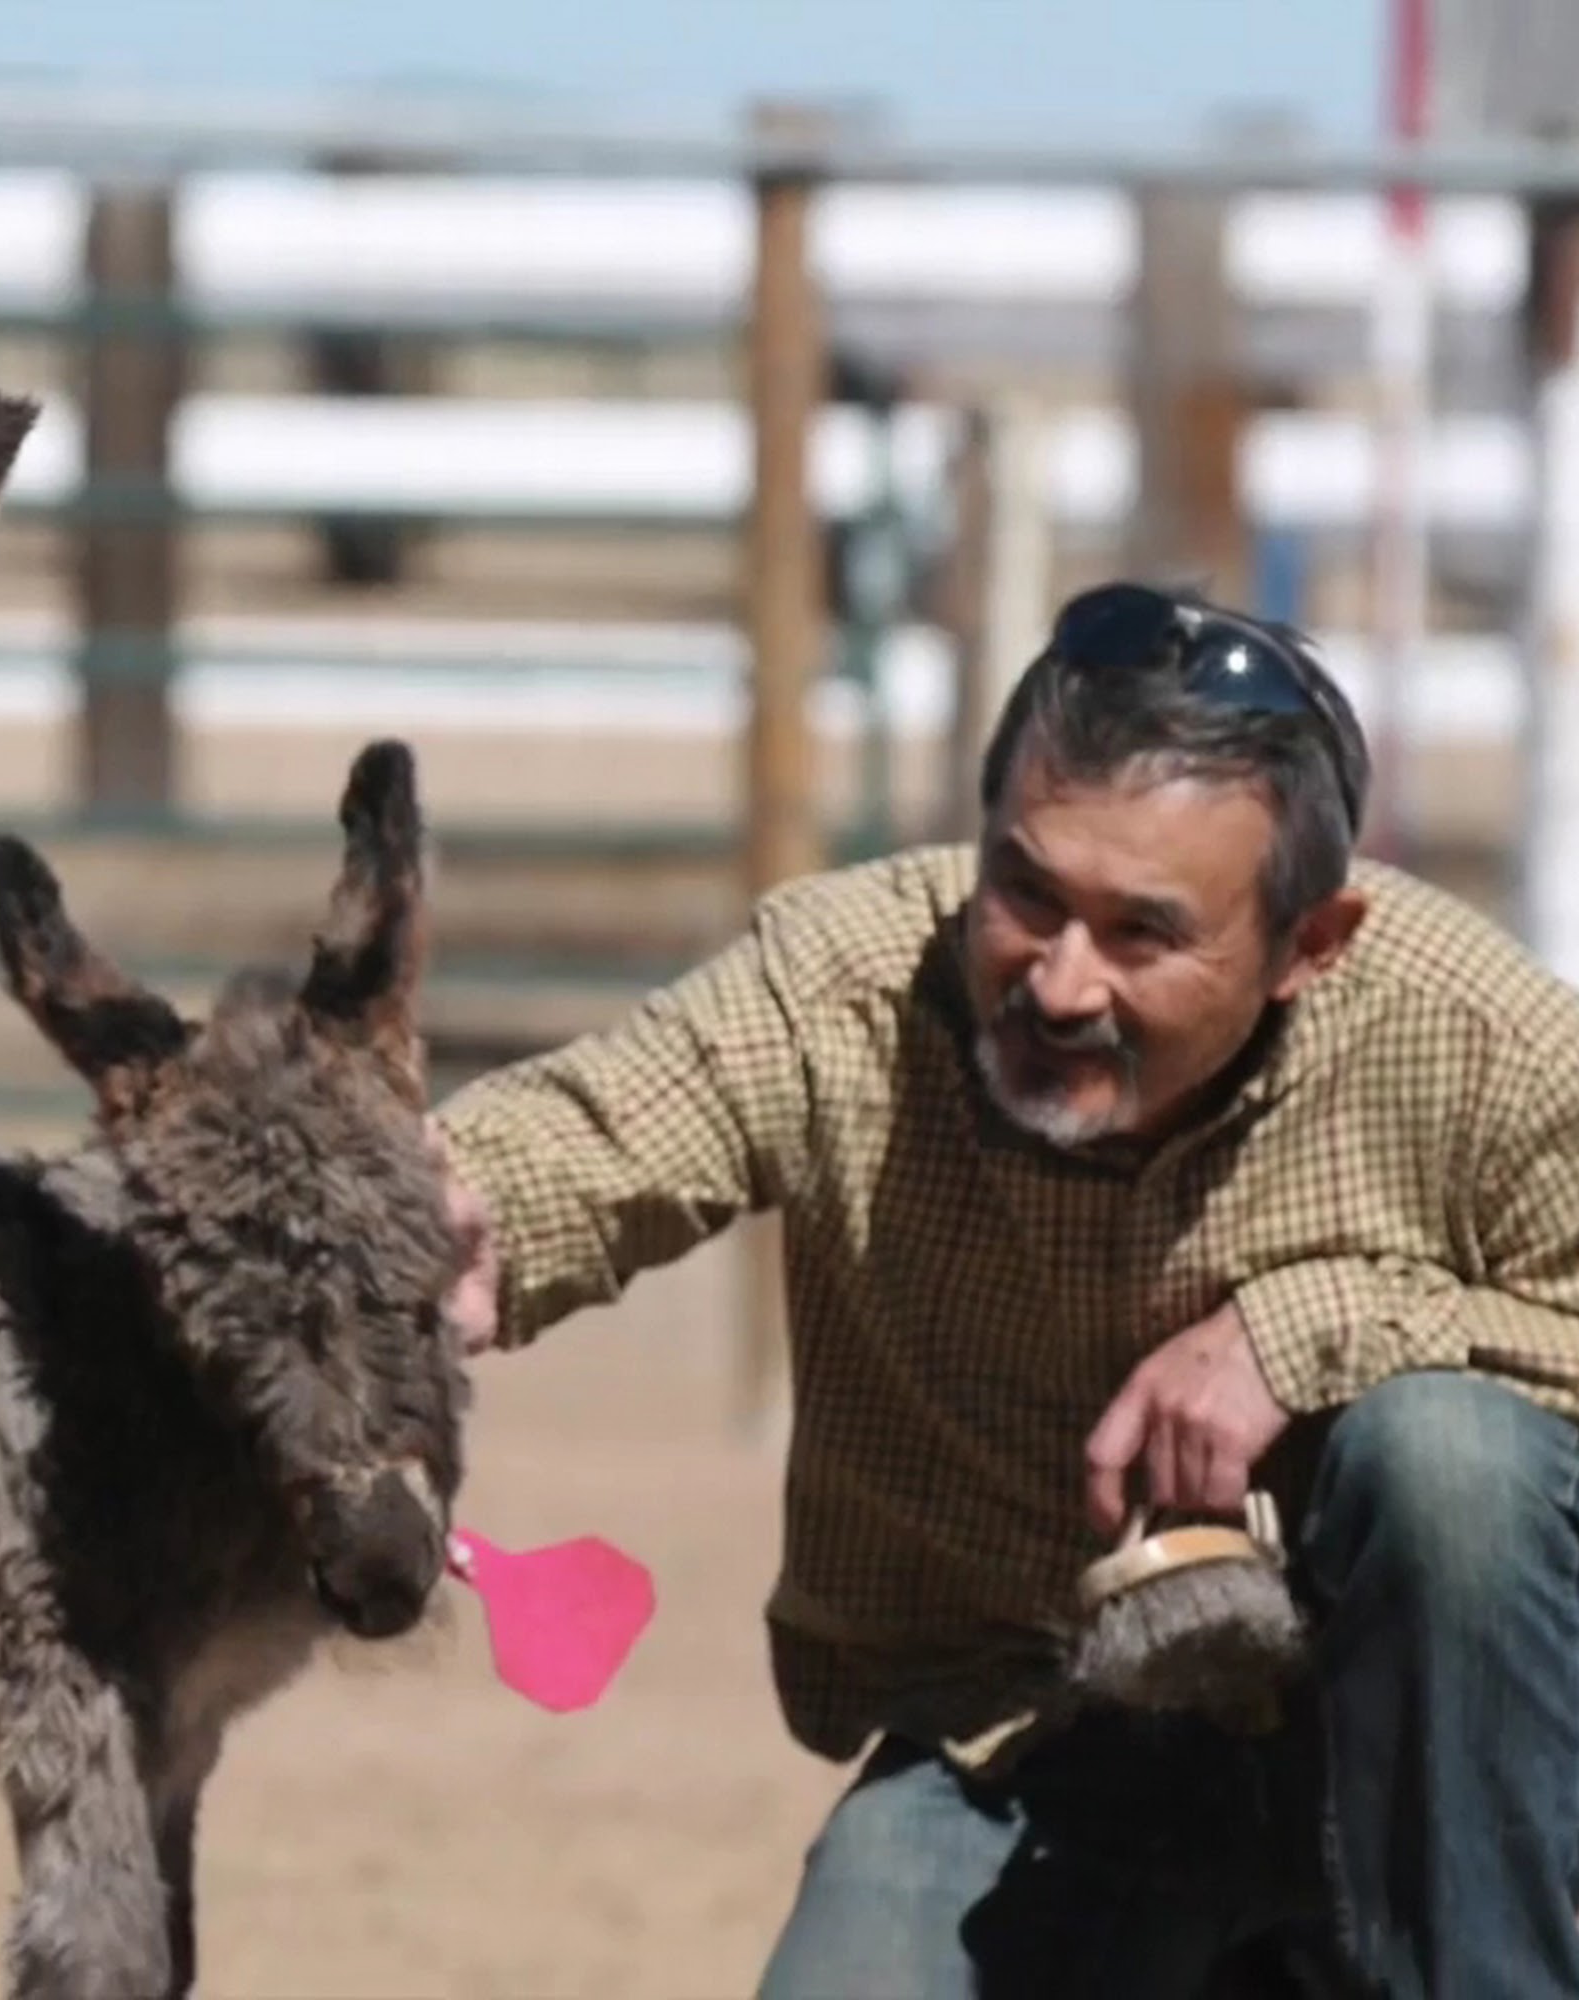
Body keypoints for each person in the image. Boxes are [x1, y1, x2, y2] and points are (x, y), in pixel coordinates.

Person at [430, 579, 1579, 1998]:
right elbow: (582, 1142)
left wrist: (1310, 1331)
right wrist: (405, 1235)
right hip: (1027, 1737)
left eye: (1143, 934)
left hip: (1421, 1777)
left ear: (1308, 948)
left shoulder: (1475, 1041)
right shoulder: (848, 986)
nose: (1060, 981)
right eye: (1026, 893)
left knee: (1453, 1461)